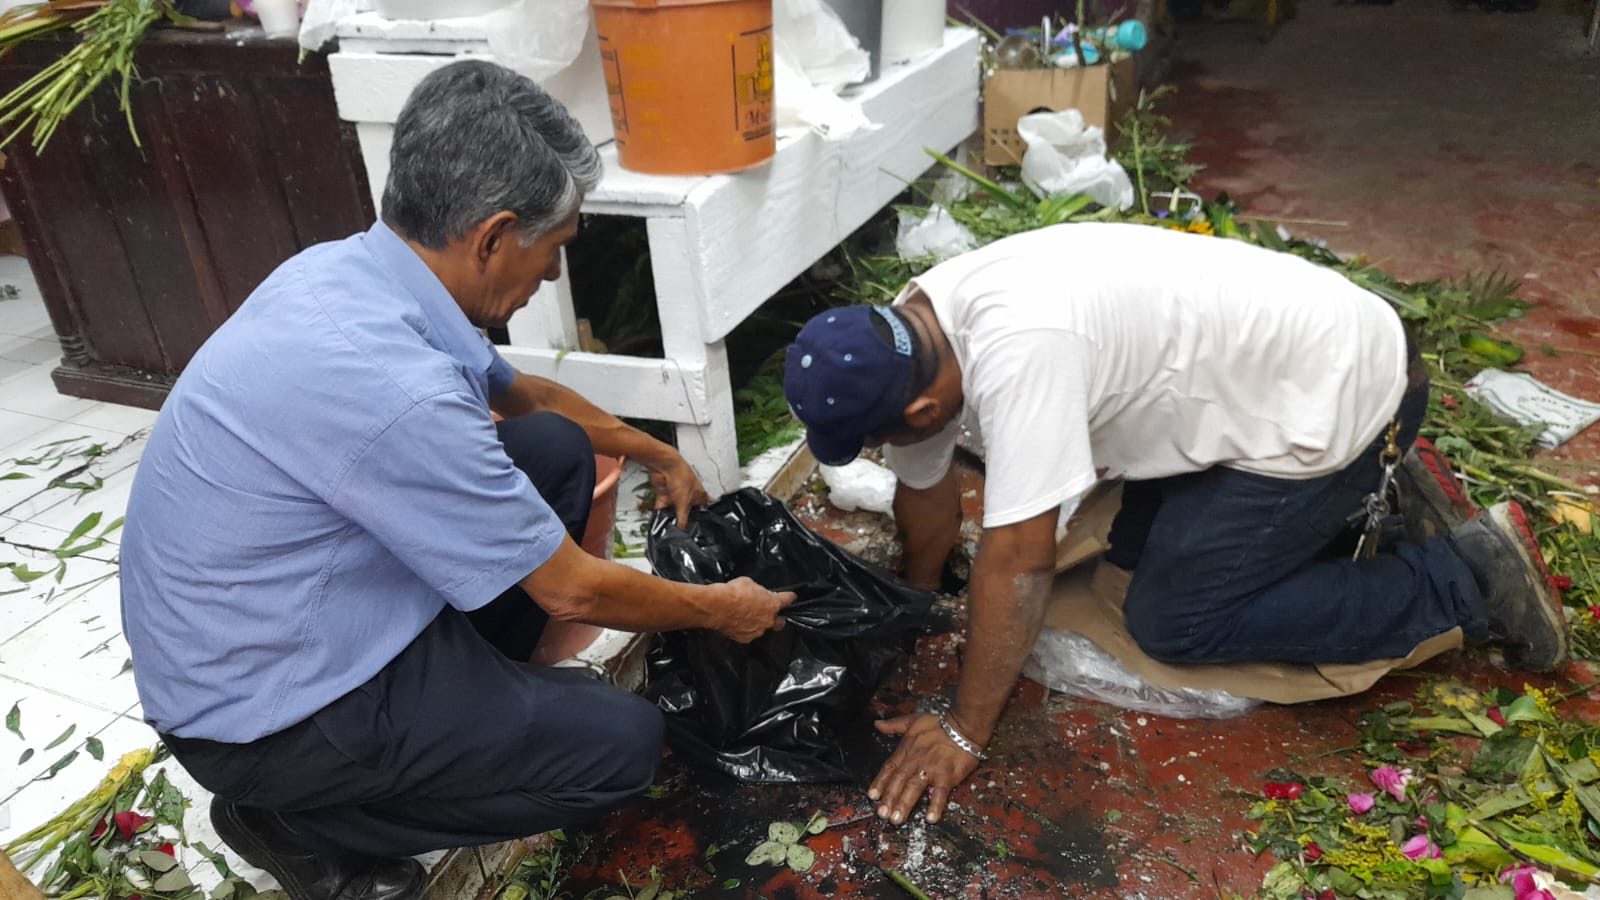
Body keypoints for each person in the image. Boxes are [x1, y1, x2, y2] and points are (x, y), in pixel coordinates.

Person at [119, 60, 793, 900]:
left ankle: (459, 715)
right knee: (623, 747)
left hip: (293, 620)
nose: (554, 276)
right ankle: (294, 820)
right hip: (264, 714)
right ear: (494, 236)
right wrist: (722, 609)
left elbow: (529, 398)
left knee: (550, 448)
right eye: (555, 250)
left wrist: (658, 453)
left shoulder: (360, 274)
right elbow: (574, 591)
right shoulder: (395, 386)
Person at [782, 222, 1566, 828]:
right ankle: (1362, 502)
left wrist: (963, 730)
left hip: (1340, 392)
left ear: (923, 409)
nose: (885, 451)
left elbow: (1018, 562)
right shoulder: (918, 330)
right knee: (1124, 564)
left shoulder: (1022, 356)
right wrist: (917, 607)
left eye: (879, 439)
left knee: (1175, 621)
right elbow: (925, 491)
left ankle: (1464, 577)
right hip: (1281, 372)